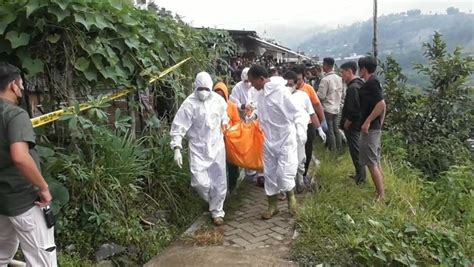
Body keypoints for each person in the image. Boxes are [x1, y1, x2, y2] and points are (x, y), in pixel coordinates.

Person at [0, 62, 57, 266]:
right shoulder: (14, 114)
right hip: (24, 200)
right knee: (43, 259)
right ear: (14, 85)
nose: (22, 88)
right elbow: (20, 157)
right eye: (21, 84)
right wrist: (43, 188)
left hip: (2, 201)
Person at [170, 72, 229, 226]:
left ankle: (217, 212)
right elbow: (179, 126)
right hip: (197, 146)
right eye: (200, 88)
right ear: (195, 87)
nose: (203, 92)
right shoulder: (189, 104)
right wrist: (176, 147)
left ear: (211, 88)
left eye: (206, 89)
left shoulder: (218, 100)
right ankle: (211, 199)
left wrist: (225, 122)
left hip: (216, 145)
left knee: (219, 180)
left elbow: (225, 114)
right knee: (198, 182)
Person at [247, 65, 305, 219]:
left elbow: (297, 112)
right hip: (268, 139)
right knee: (270, 174)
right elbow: (261, 110)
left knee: (284, 173)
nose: (252, 85)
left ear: (261, 79)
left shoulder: (281, 92)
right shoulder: (260, 94)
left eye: (253, 81)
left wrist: (300, 129)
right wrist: (254, 115)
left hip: (285, 138)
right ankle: (272, 206)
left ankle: (291, 200)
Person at [283, 71, 326, 193]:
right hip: (285, 134)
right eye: (286, 84)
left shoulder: (303, 96)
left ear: (296, 84)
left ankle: (300, 181)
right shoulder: (281, 97)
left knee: (301, 158)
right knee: (286, 161)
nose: (288, 87)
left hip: (301, 133)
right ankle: (287, 187)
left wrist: (319, 128)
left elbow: (312, 113)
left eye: (290, 84)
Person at [358, 56, 386, 201]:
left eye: (359, 68)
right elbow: (383, 105)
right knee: (375, 160)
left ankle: (380, 195)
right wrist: (380, 122)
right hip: (375, 127)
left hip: (371, 129)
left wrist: (368, 121)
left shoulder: (371, 84)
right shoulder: (375, 82)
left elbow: (381, 104)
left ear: (363, 69)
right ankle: (381, 190)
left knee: (371, 162)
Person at [229, 67, 264, 184]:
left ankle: (260, 172)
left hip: (257, 121)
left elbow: (261, 102)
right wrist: (243, 106)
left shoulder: (257, 88)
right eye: (246, 81)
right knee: (247, 146)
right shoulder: (238, 88)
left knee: (259, 146)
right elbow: (233, 103)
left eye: (250, 81)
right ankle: (250, 171)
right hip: (243, 121)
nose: (249, 84)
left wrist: (254, 111)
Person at [293, 65, 327, 178]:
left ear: (304, 78)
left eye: (299, 80)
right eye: (295, 80)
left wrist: (322, 122)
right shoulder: (287, 90)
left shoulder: (308, 89)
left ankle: (304, 174)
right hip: (292, 127)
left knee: (307, 150)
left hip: (307, 125)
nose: (297, 82)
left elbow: (316, 106)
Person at [340, 61, 366, 185]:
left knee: (356, 151)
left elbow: (354, 109)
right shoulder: (360, 84)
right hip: (358, 124)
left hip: (353, 125)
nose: (341, 76)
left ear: (349, 71)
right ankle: (359, 174)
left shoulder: (353, 88)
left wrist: (347, 122)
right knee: (357, 150)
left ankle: (361, 178)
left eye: (342, 73)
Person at [213, 82, 241, 193]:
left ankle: (232, 187)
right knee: (219, 167)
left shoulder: (231, 106)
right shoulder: (210, 106)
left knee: (232, 165)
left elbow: (237, 122)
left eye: (221, 95)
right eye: (216, 94)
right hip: (216, 141)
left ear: (226, 95)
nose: (219, 97)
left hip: (230, 141)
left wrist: (230, 129)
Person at [317, 57, 344, 152]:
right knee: (336, 129)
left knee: (330, 131)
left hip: (327, 108)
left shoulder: (325, 80)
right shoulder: (340, 78)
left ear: (325, 65)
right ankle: (339, 148)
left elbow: (321, 96)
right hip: (337, 107)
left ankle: (333, 150)